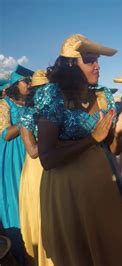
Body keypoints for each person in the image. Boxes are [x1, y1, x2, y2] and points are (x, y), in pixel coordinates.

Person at [35, 34, 122, 265]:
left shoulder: (103, 94)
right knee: (81, 249)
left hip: (104, 181)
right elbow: (47, 159)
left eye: (98, 61)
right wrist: (91, 139)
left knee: (113, 244)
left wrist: (120, 132)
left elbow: (114, 149)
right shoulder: (52, 95)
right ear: (70, 65)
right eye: (90, 61)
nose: (97, 66)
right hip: (68, 187)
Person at [17, 69, 54, 266]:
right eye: (42, 89)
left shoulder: (53, 111)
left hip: (52, 165)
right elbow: (32, 150)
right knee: (42, 215)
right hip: (36, 170)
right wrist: (53, 138)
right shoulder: (27, 114)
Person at [0, 64, 33, 264]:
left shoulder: (29, 104)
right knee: (16, 198)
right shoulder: (4, 105)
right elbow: (5, 135)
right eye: (25, 81)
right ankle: (21, 252)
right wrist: (27, 120)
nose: (29, 84)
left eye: (30, 81)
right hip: (13, 158)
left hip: (31, 154)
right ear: (14, 84)